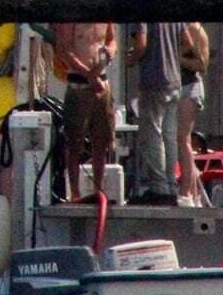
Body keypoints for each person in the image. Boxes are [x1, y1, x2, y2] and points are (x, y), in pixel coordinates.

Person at [126, 21, 191, 205]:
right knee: (169, 136)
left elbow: (141, 45)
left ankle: (159, 187)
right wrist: (171, 54)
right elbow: (188, 42)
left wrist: (129, 59)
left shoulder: (143, 11)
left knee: (152, 135)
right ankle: (171, 185)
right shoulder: (172, 11)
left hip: (154, 81)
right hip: (175, 81)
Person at [54, 21, 115, 203]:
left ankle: (98, 189)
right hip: (78, 84)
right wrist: (89, 75)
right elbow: (65, 49)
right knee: (74, 141)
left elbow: (111, 41)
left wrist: (109, 53)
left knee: (101, 140)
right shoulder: (71, 17)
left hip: (102, 84)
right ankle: (74, 192)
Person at [175, 22, 210, 206]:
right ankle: (195, 193)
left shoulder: (195, 29)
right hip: (173, 87)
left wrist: (177, 59)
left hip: (190, 87)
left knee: (183, 138)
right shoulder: (174, 27)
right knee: (177, 139)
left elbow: (202, 64)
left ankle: (185, 191)